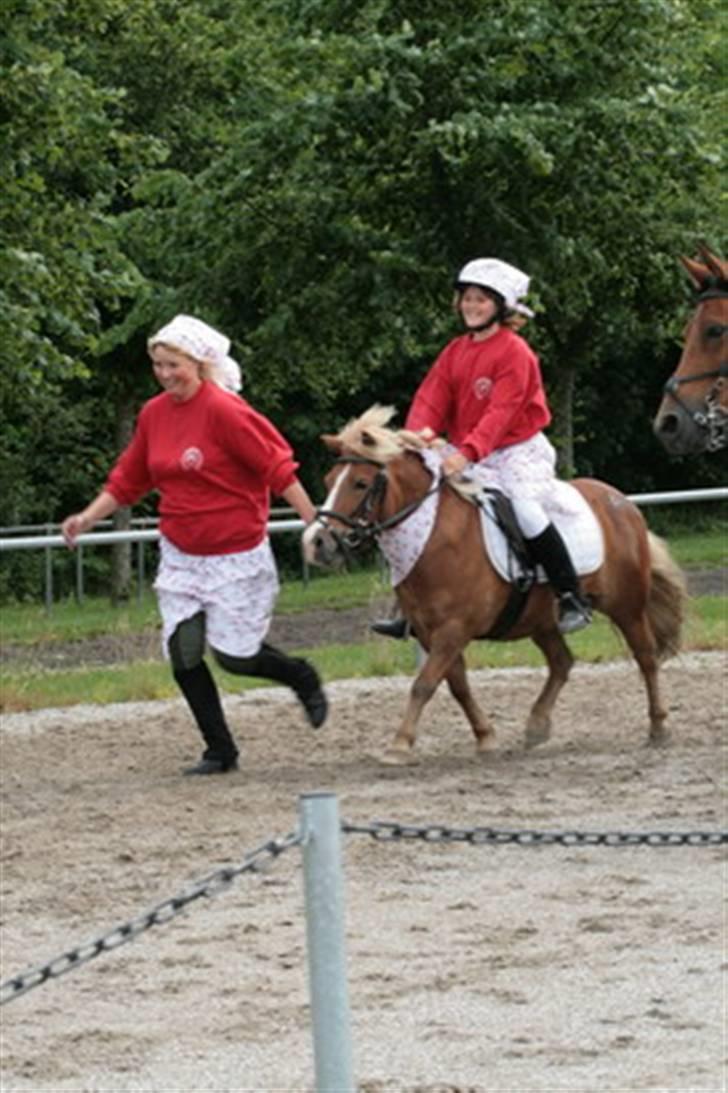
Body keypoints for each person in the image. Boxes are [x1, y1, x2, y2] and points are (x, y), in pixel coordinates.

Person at [62, 314, 328, 776]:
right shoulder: (153, 414)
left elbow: (278, 470)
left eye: (174, 365)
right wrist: (86, 518)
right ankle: (220, 750)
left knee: (237, 658)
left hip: (234, 552)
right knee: (183, 653)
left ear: (200, 363)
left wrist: (315, 524)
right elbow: (129, 479)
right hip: (182, 553)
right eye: (158, 365)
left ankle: (299, 675)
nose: (165, 375)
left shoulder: (225, 411)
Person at [372, 258, 593, 638]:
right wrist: (416, 437)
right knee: (422, 510)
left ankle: (571, 595)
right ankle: (411, 608)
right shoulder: (455, 351)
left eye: (481, 300)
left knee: (525, 510)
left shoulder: (516, 352)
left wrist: (466, 453)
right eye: (467, 298)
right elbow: (431, 398)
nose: (471, 306)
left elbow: (501, 413)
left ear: (500, 306)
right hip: (466, 449)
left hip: (516, 451)